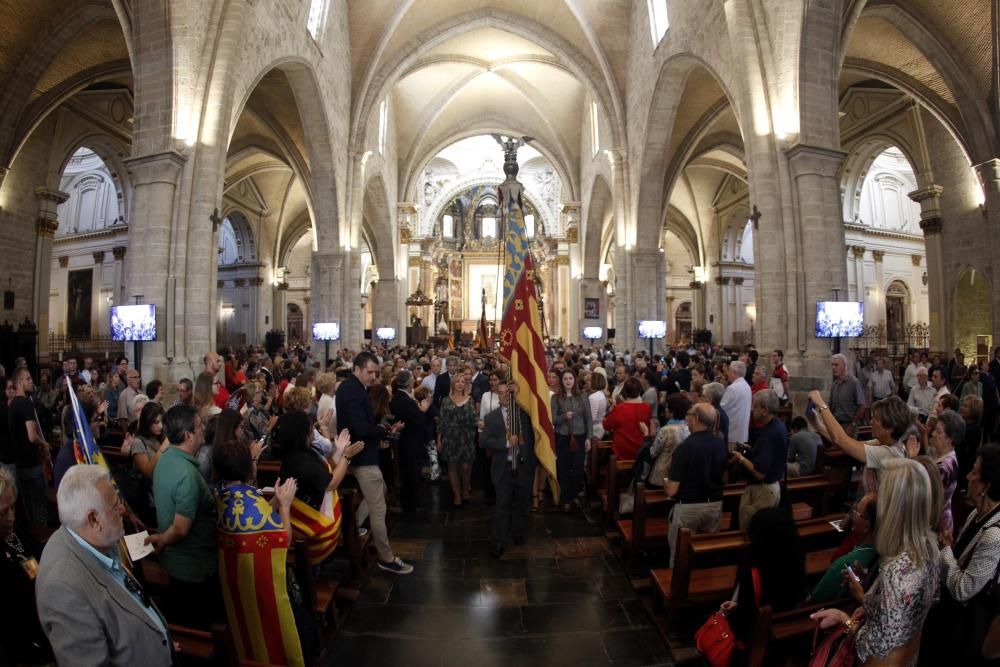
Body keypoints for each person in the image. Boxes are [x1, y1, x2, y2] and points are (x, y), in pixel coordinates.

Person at [36, 465, 172, 666]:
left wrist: (157, 642)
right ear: (93, 519)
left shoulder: (92, 537)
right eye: (115, 505)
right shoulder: (63, 589)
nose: (123, 510)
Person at [811, 459, 940, 665]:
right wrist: (871, 601)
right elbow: (916, 607)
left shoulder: (895, 569)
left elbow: (875, 647)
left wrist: (844, 619)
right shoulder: (930, 547)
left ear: (893, 509)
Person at [213, 439, 312, 665]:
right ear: (248, 468)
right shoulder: (250, 503)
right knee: (302, 625)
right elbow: (282, 541)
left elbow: (255, 516)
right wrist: (285, 506)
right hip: (261, 587)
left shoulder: (222, 493)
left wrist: (275, 500)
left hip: (234, 581)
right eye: (253, 461)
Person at [146, 404, 224, 628]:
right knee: (201, 627)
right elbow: (181, 528)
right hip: (194, 569)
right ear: (189, 435)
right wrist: (162, 539)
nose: (203, 429)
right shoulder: (187, 475)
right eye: (200, 426)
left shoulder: (166, 459)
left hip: (175, 563)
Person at [336, 351, 412, 574]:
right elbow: (360, 427)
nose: (373, 377)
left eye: (376, 373)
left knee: (380, 491)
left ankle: (352, 526)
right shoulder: (353, 391)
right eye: (369, 372)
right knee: (379, 508)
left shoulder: (354, 388)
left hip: (360, 452)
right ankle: (386, 557)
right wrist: (380, 430)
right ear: (356, 369)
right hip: (362, 456)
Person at [925, 443, 1000, 665]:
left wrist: (945, 550)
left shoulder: (994, 536)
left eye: (975, 472)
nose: (968, 476)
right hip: (948, 617)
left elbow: (964, 589)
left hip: (963, 630)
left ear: (986, 485)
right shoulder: (976, 514)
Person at [808, 391, 914, 492]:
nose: (871, 421)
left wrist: (821, 404)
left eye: (876, 419)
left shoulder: (889, 454)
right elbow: (846, 443)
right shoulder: (883, 443)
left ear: (889, 428)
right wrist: (818, 426)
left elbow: (841, 440)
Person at [0, 466, 53, 664]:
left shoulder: (14, 531)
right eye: (3, 513)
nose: (11, 518)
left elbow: (34, 553)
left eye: (12, 507)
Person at [664, 402, 728, 566]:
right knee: (707, 553)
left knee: (680, 555)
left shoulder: (684, 448)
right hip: (714, 505)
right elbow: (724, 476)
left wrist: (666, 482)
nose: (686, 418)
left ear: (696, 419)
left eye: (689, 415)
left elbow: (672, 490)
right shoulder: (720, 444)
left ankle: (678, 588)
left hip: (688, 507)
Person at [480, 379, 536, 559]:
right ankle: (498, 541)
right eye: (502, 393)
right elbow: (484, 441)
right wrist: (505, 443)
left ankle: (519, 533)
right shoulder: (491, 417)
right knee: (502, 505)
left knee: (521, 503)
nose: (505, 396)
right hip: (502, 468)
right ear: (497, 395)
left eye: (508, 393)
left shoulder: (524, 415)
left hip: (522, 466)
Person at [732, 390, 788, 530]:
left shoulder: (769, 434)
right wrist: (751, 449)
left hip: (762, 491)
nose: (752, 410)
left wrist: (741, 458)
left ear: (765, 410)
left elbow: (759, 472)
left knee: (753, 530)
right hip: (771, 487)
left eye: (755, 406)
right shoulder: (777, 425)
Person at [810, 492, 878, 603]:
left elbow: (814, 600)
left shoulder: (844, 564)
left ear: (866, 527)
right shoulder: (883, 552)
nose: (853, 516)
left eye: (857, 513)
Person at [8, 368, 49, 527]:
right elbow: (32, 436)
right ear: (19, 382)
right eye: (28, 378)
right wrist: (43, 444)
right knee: (39, 511)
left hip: (19, 465)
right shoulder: (26, 404)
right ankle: (43, 546)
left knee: (28, 512)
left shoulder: (11, 405)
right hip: (32, 465)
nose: (32, 381)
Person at [390, 370, 432, 512]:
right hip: (410, 443)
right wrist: (423, 410)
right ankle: (411, 505)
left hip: (408, 442)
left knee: (410, 474)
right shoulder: (404, 400)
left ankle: (410, 502)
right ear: (409, 382)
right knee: (412, 474)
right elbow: (418, 421)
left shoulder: (399, 397)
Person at [551, 369, 593, 511]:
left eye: (570, 378)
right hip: (563, 437)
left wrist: (589, 437)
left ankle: (574, 494)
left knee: (577, 468)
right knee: (563, 468)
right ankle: (566, 498)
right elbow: (553, 419)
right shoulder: (556, 398)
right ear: (561, 382)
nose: (568, 381)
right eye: (565, 379)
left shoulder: (582, 396)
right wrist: (564, 416)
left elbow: (589, 419)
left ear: (574, 380)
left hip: (580, 437)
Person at [438, 370, 478, 508]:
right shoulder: (445, 401)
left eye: (463, 382)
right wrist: (439, 439)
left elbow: (474, 417)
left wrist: (481, 423)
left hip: (466, 436)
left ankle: (466, 489)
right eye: (458, 382)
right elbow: (441, 421)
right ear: (453, 384)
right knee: (453, 467)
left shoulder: (470, 399)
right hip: (450, 437)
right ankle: (457, 495)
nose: (460, 384)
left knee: (466, 467)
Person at [647, 392, 691, 490]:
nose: (665, 410)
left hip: (661, 476)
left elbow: (653, 453)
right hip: (680, 477)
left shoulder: (666, 430)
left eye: (667, 407)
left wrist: (650, 436)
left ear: (672, 411)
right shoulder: (689, 428)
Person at [602, 377, 652, 460]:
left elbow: (607, 426)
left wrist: (604, 420)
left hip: (621, 451)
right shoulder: (646, 408)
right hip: (639, 449)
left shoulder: (619, 408)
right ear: (639, 391)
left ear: (625, 391)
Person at [829, 353, 867, 436]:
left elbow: (862, 405)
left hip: (848, 424)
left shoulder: (854, 383)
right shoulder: (834, 385)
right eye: (832, 365)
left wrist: (853, 424)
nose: (833, 368)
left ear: (844, 366)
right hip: (836, 424)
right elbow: (831, 407)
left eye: (836, 365)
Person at [720, 360, 752, 449]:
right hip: (742, 434)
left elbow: (721, 409)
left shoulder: (733, 388)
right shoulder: (747, 386)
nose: (727, 374)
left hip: (732, 434)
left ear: (734, 372)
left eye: (729, 371)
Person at [588, 371, 610, 440]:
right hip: (599, 427)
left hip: (594, 430)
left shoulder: (594, 397)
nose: (587, 382)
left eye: (589, 380)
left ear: (594, 382)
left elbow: (591, 418)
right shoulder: (600, 394)